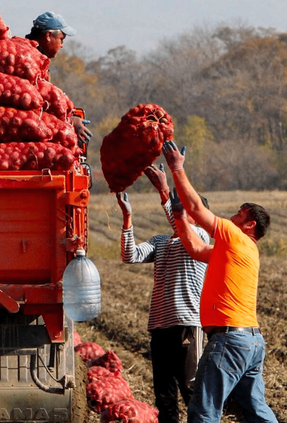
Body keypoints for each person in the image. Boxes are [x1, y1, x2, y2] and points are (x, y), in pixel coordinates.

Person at [161, 140, 278, 423]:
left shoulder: (235, 236)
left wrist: (177, 168)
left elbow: (197, 208)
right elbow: (196, 249)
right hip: (251, 341)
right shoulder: (243, 250)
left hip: (229, 339)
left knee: (204, 410)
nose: (232, 216)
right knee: (254, 410)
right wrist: (178, 216)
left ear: (249, 225)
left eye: (239, 214)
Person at [117, 164, 209, 423]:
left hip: (187, 324)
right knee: (164, 396)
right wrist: (128, 218)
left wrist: (164, 190)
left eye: (187, 209)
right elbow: (129, 256)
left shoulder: (199, 238)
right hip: (159, 326)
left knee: (191, 389)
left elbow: (183, 230)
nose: (181, 211)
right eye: (179, 207)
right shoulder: (160, 242)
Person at [26, 11, 92, 146]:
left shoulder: (39, 62)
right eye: (61, 39)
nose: (62, 45)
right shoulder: (29, 61)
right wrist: (69, 120)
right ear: (49, 36)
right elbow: (36, 103)